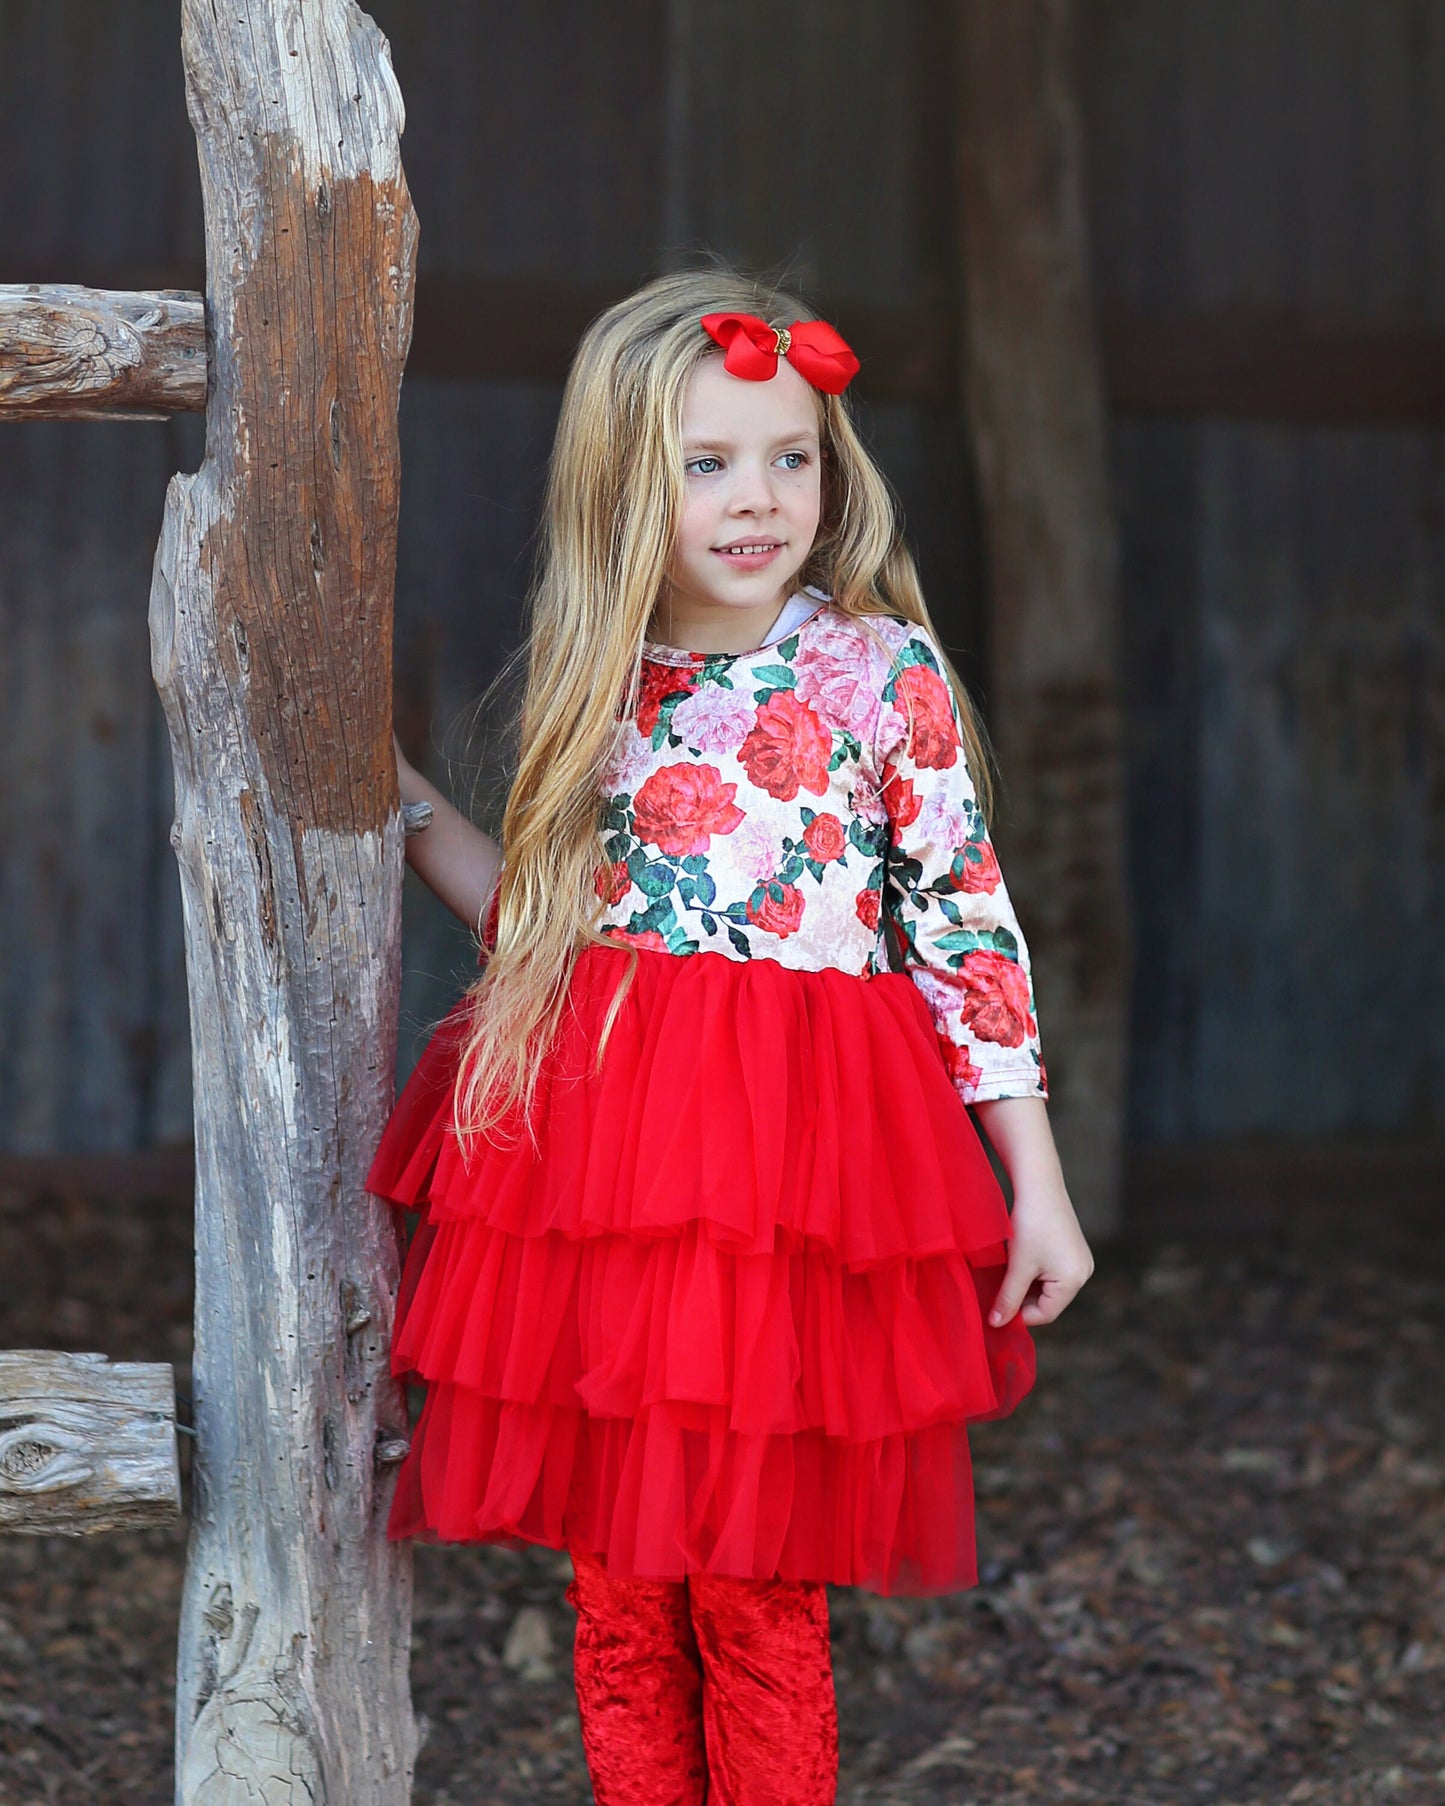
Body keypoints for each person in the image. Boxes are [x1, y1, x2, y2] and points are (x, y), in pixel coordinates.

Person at [370, 266, 1094, 1805]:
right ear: (626, 482)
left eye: (791, 456)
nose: (758, 498)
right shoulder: (600, 678)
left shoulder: (873, 671)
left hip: (789, 1187)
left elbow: (963, 923)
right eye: (708, 463)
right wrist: (402, 797)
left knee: (756, 1587)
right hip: (615, 1180)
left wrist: (1030, 1174)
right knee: (622, 1590)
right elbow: (549, 928)